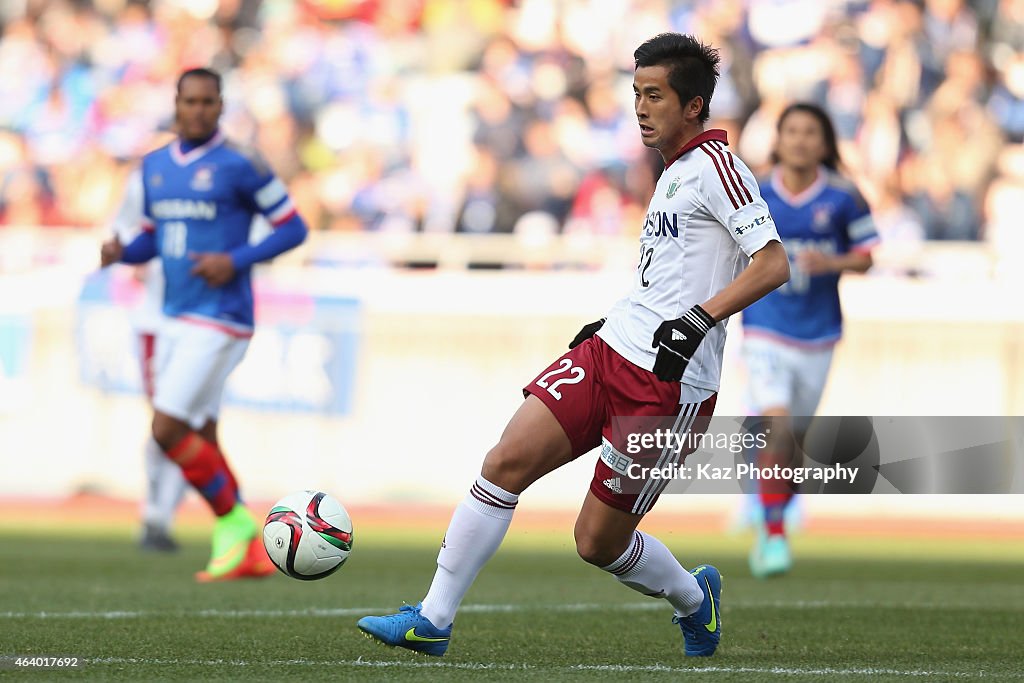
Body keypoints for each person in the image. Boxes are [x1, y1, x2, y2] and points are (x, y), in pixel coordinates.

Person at [357, 33, 789, 658]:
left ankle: (696, 600)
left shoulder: (719, 168)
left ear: (693, 105)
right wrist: (615, 322)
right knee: (505, 460)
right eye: (636, 93)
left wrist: (699, 319)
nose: (641, 107)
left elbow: (773, 263)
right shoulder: (670, 168)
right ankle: (433, 618)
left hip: (671, 382)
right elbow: (670, 270)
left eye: (656, 96)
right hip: (612, 349)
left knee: (596, 542)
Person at [100, 67, 308, 581]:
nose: (197, 110)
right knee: (202, 431)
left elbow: (293, 227)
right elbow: (155, 236)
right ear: (176, 104)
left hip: (222, 316)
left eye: (207, 102)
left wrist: (234, 260)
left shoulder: (241, 163)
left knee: (167, 428)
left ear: (220, 106)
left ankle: (234, 523)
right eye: (188, 101)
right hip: (172, 316)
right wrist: (123, 250)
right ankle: (249, 550)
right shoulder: (153, 168)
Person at [741, 102, 878, 578]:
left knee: (793, 443)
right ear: (778, 139)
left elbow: (865, 256)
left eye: (810, 132)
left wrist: (833, 263)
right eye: (792, 131)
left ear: (824, 143)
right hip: (764, 327)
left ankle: (774, 504)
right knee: (776, 428)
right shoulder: (752, 191)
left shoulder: (843, 198)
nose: (800, 140)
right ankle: (773, 534)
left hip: (817, 335)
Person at [109, 168, 187, 552]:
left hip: (205, 322)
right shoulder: (145, 181)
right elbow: (121, 231)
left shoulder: (227, 173)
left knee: (195, 424)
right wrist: (131, 255)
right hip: (159, 322)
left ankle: (163, 514)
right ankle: (156, 515)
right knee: (167, 423)